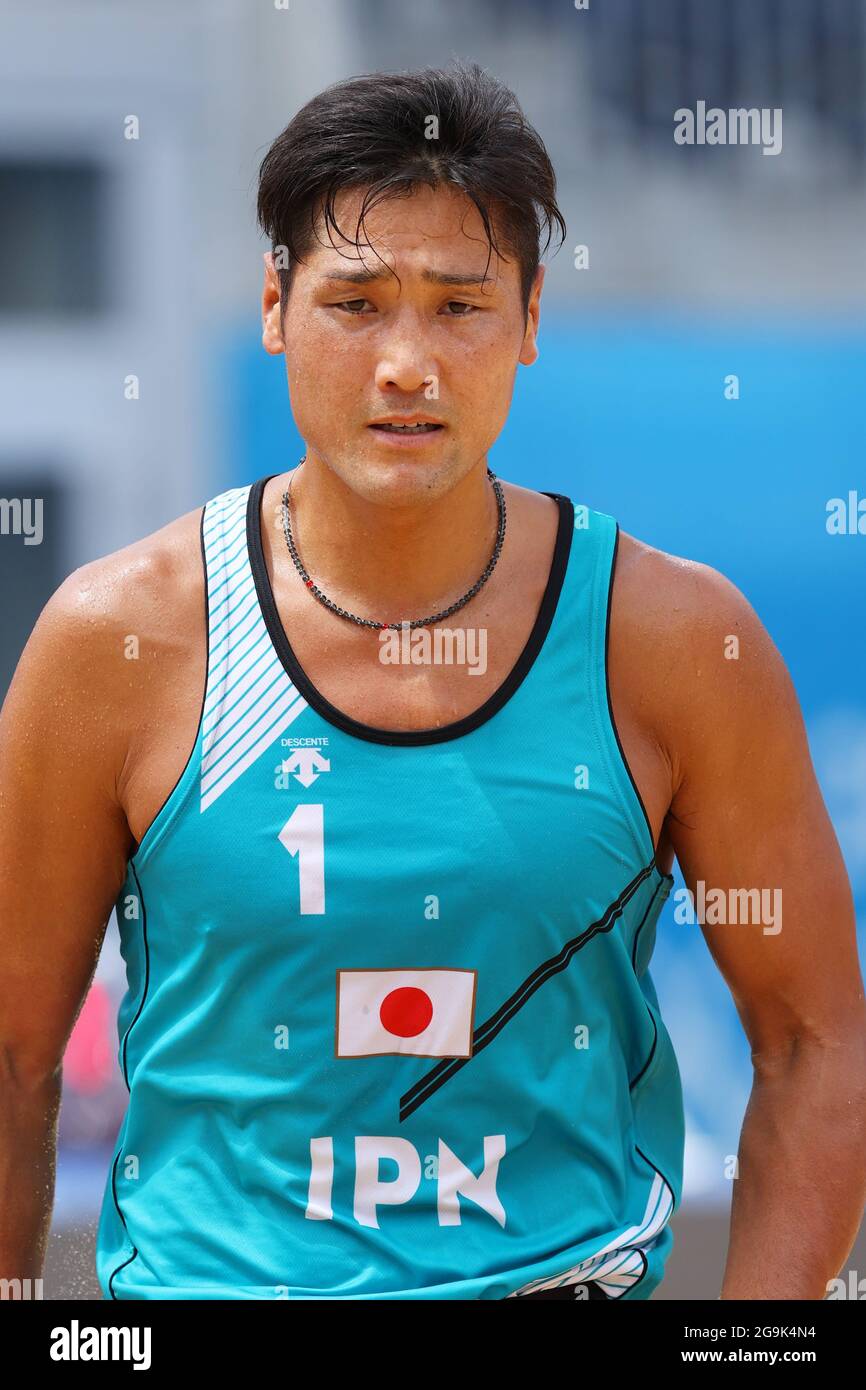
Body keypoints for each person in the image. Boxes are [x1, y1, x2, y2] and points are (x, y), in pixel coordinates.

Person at [1, 61, 863, 1302]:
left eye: (457, 307)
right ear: (273, 305)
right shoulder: (114, 639)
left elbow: (814, 1044)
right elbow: (16, 1057)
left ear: (527, 321)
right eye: (356, 301)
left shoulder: (673, 639)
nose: (406, 361)